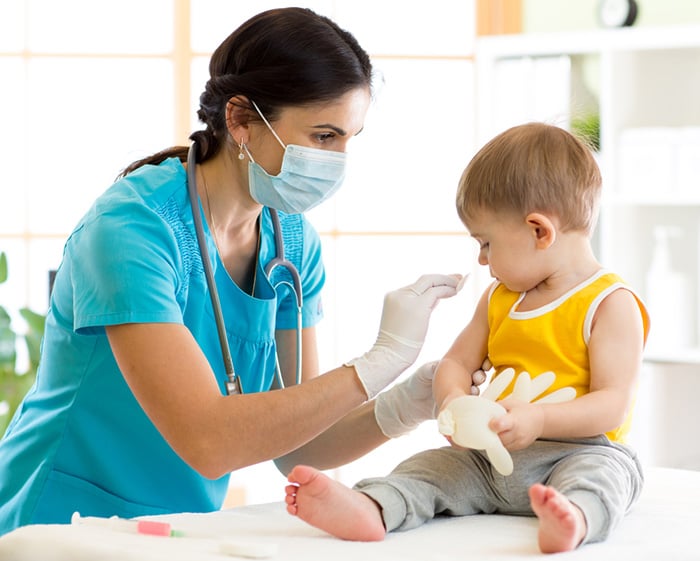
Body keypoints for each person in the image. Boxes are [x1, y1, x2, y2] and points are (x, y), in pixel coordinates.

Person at [0, 8, 476, 536]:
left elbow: (301, 443)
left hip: (176, 529)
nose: (338, 160)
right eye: (323, 136)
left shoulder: (290, 244)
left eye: (348, 139)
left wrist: (410, 400)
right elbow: (209, 441)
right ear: (241, 120)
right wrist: (376, 364)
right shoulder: (130, 231)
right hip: (57, 524)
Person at [285, 122, 650, 554]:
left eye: (486, 243)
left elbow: (613, 405)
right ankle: (375, 506)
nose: (481, 259)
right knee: (428, 468)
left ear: (539, 231)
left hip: (577, 451)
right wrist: (453, 402)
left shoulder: (609, 302)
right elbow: (456, 364)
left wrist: (540, 421)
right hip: (487, 457)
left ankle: (574, 517)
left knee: (606, 477)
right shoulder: (500, 298)